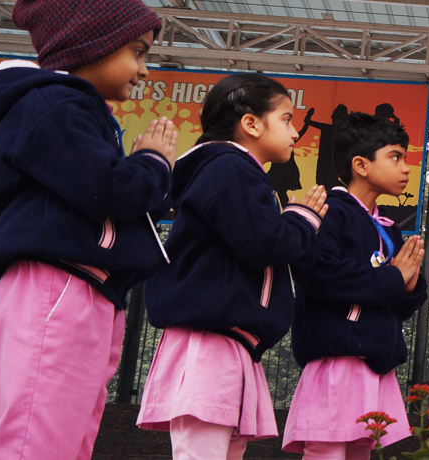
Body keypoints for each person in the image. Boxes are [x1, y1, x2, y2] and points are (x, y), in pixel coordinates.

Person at [0, 1, 175, 457]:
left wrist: (149, 170)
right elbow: (112, 191)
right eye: (137, 52)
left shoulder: (72, 109)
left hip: (85, 290)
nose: (143, 70)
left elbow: (118, 199)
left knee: (65, 443)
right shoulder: (49, 103)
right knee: (33, 444)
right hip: (56, 286)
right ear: (90, 44)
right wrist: (154, 159)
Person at [137, 73, 328, 460]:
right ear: (251, 124)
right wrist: (302, 219)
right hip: (208, 344)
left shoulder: (233, 172)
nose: (296, 133)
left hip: (227, 343)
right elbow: (263, 242)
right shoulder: (229, 169)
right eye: (287, 119)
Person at [283, 112, 428, 459]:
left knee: (360, 451)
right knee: (326, 449)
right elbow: (322, 275)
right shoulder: (331, 212)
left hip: (373, 362)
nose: (406, 168)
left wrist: (409, 286)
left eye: (405, 158)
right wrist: (394, 277)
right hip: (336, 359)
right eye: (395, 157)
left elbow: (398, 299)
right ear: (361, 165)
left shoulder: (389, 228)